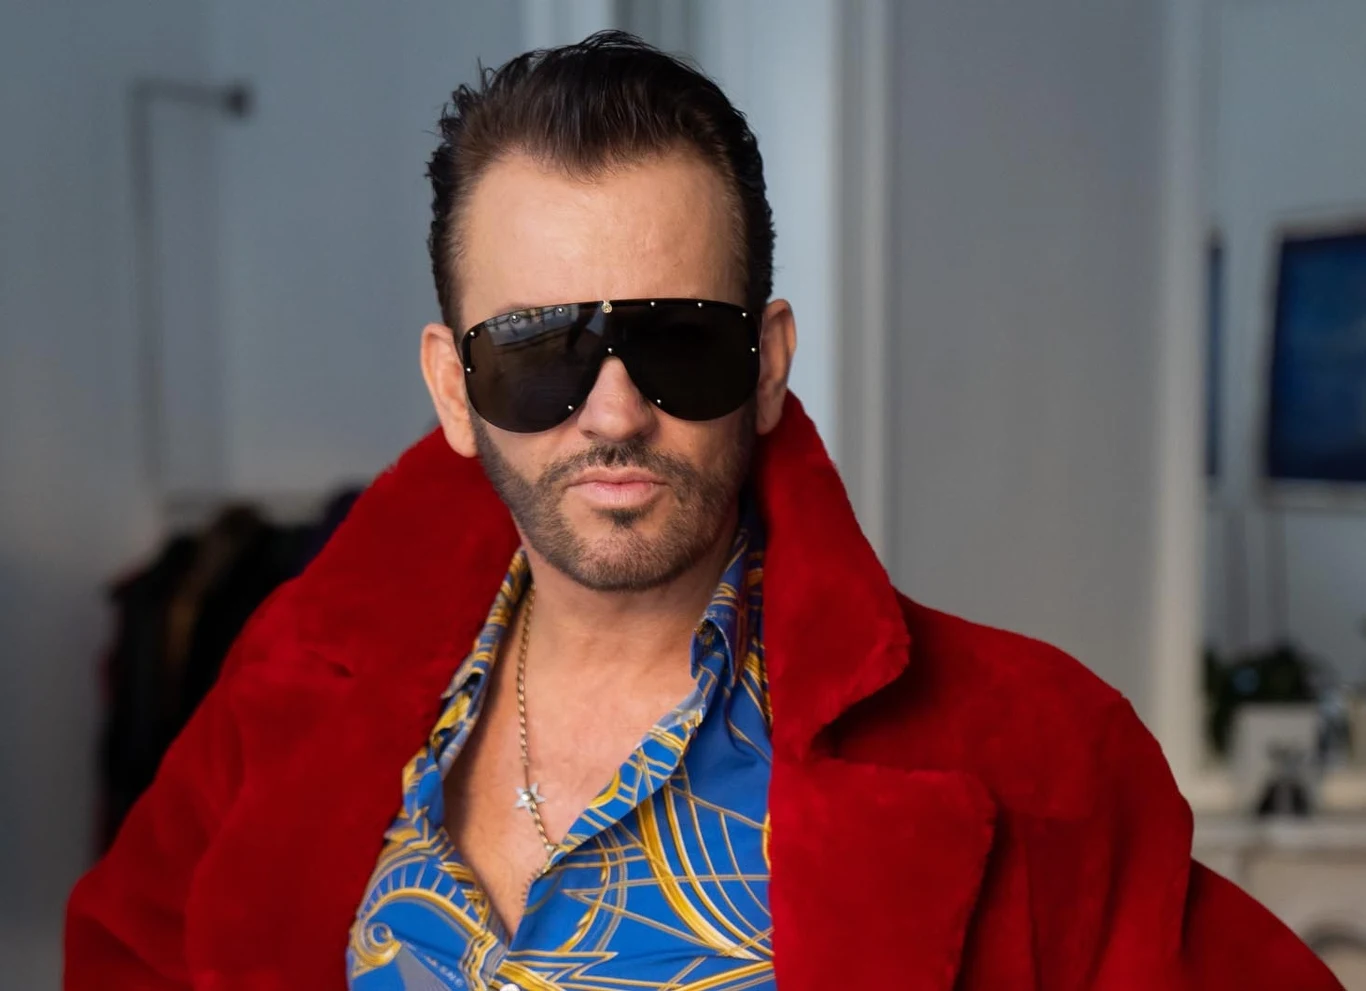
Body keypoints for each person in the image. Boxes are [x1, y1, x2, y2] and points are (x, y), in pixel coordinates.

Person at [65, 31, 1340, 991]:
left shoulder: (1038, 755)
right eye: (540, 353)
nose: (614, 413)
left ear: (768, 362)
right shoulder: (289, 685)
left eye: (677, 342)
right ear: (453, 389)